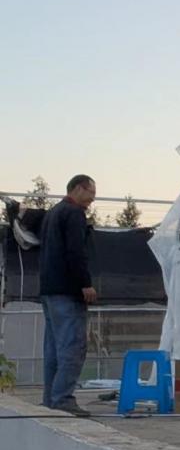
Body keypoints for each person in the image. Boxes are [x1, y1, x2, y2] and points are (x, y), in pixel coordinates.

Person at [39, 174, 98, 416]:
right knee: (73, 346)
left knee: (53, 348)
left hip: (49, 290)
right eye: (90, 194)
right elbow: (75, 251)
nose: (91, 201)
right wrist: (85, 283)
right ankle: (63, 397)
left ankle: (51, 398)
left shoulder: (52, 214)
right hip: (67, 291)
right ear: (79, 188)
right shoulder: (74, 213)